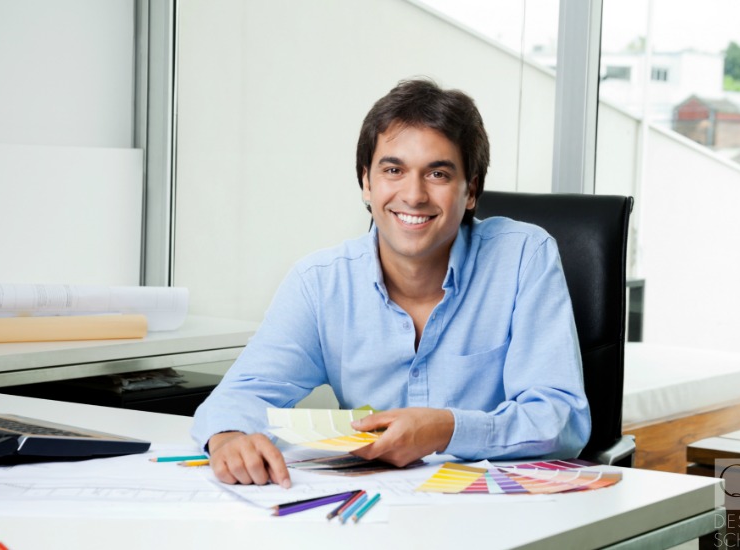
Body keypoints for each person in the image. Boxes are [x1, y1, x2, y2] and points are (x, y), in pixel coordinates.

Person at [191, 78, 590, 487]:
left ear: (470, 190)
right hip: (368, 509)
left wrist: (445, 429)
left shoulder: (523, 257)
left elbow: (562, 421)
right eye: (393, 170)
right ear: (367, 183)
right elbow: (241, 395)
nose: (413, 195)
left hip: (497, 513)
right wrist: (229, 437)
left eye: (437, 173)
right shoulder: (321, 283)